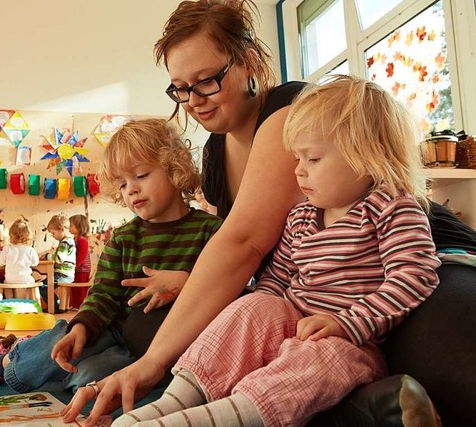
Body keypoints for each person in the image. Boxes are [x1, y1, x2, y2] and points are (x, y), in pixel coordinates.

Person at [60, 1, 476, 425]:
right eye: (180, 89)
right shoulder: (218, 156)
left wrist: (149, 364)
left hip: (425, 267)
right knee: (169, 322)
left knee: (445, 363)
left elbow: (244, 243)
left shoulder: (290, 114)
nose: (192, 101)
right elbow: (267, 269)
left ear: (249, 62)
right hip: (312, 306)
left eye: (205, 82)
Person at [112, 75, 441, 426]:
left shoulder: (391, 207)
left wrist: (347, 324)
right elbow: (276, 281)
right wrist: (256, 327)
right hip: (293, 328)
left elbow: (415, 275)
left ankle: (208, 419)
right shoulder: (302, 215)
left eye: (312, 158)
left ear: (367, 156)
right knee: (254, 304)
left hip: (351, 344)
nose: (298, 171)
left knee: (318, 360)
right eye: (296, 157)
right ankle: (173, 403)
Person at [0, 118, 222, 402]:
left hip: (161, 354)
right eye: (122, 184)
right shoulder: (124, 238)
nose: (131, 189)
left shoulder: (212, 231)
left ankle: (58, 382)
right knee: (62, 336)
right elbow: (104, 295)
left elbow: (238, 287)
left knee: (91, 379)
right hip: (114, 331)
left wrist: (187, 282)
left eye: (141, 176)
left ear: (174, 168)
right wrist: (82, 327)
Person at [40, 214, 76, 313]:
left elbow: (59, 259)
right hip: (66, 274)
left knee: (43, 286)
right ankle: (56, 305)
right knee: (45, 285)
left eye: (53, 233)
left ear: (61, 229)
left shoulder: (65, 242)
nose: (53, 236)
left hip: (63, 274)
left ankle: (55, 305)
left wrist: (47, 256)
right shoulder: (68, 241)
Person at [0, 219, 39, 298]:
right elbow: (35, 263)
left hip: (10, 281)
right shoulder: (29, 249)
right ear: (28, 235)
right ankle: (29, 301)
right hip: (25, 281)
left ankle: (10, 301)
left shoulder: (7, 248)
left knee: (6, 283)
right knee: (31, 281)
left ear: (11, 234)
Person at [69, 214, 92, 309]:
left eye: (71, 226)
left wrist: (75, 266)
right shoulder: (74, 239)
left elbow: (81, 256)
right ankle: (74, 304)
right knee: (74, 287)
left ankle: (81, 305)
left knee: (80, 289)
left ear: (79, 227)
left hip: (82, 269)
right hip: (77, 268)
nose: (69, 228)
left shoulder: (82, 240)